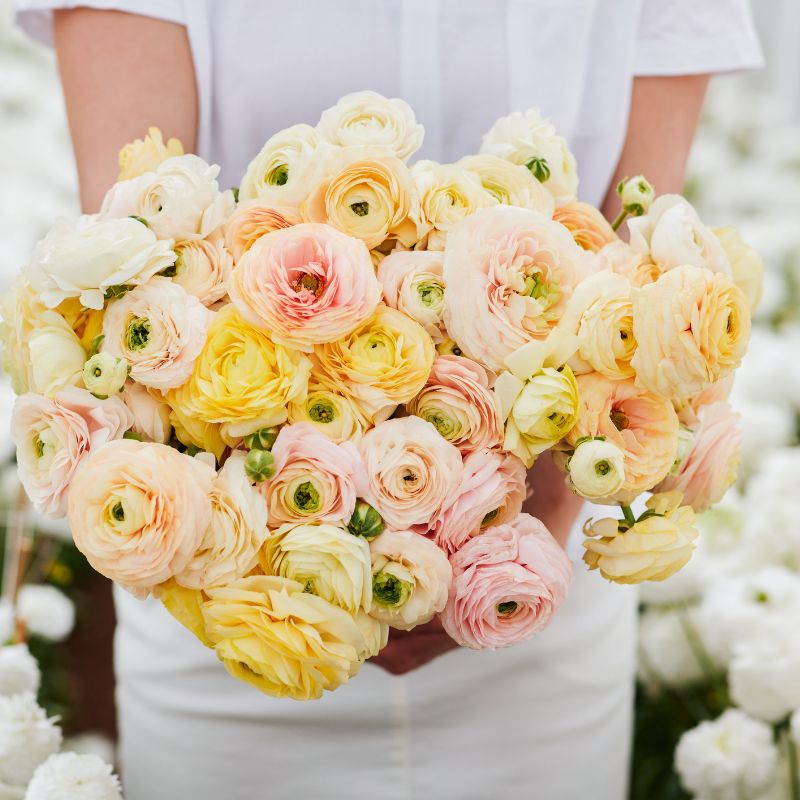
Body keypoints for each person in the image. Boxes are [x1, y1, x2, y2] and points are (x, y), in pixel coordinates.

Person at [13, 2, 762, 798]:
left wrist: (502, 532)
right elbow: (131, 256)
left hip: (531, 582)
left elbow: (636, 265)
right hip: (239, 598)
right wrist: (300, 560)